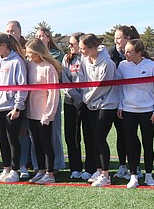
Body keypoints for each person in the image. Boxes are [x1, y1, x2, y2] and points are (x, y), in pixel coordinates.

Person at [116, 39, 154, 188]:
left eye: (129, 51)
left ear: (139, 52)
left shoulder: (152, 65)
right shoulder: (122, 65)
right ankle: (133, 176)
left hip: (148, 112)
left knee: (147, 144)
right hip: (129, 111)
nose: (126, 54)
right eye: (125, 51)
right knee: (130, 144)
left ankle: (149, 175)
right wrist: (120, 106)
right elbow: (118, 88)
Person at [78, 34, 120, 187]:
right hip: (91, 104)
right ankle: (98, 170)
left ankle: (106, 175)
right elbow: (82, 78)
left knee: (100, 137)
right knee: (93, 138)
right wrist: (85, 95)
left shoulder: (107, 63)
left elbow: (104, 86)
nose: (80, 51)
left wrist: (87, 97)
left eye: (83, 48)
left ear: (91, 48)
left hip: (107, 104)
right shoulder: (84, 59)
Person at [0, 32, 27, 182]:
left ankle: (15, 170)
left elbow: (22, 85)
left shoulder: (17, 61)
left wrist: (17, 106)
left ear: (4, 46)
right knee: (2, 138)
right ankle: (6, 168)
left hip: (11, 108)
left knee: (12, 139)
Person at [25, 38, 62, 184]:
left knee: (47, 143)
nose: (28, 56)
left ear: (37, 52)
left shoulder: (49, 68)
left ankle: (50, 173)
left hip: (44, 113)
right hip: (32, 112)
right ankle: (40, 170)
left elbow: (53, 94)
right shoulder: (30, 65)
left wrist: (48, 114)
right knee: (36, 144)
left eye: (30, 53)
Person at [62, 32, 96, 181]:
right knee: (72, 137)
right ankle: (75, 167)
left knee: (89, 136)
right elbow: (64, 80)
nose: (70, 46)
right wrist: (76, 97)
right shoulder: (66, 58)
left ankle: (90, 168)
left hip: (87, 102)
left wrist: (84, 98)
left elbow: (91, 80)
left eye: (72, 43)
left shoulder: (89, 58)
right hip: (70, 101)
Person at [108, 25, 139, 180]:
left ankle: (136, 166)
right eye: (115, 37)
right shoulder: (110, 54)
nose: (116, 40)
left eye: (119, 37)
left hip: (133, 103)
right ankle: (122, 165)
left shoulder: (138, 54)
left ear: (128, 38)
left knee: (132, 135)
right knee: (120, 134)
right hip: (115, 101)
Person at [35, 26, 65, 172]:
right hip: (37, 100)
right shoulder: (33, 58)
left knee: (54, 132)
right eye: (37, 36)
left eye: (42, 36)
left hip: (51, 96)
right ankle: (40, 165)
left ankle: (57, 163)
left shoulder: (57, 54)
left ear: (48, 37)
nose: (39, 38)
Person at [6, 21, 33, 179]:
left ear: (20, 32)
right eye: (7, 31)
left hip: (28, 98)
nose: (10, 34)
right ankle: (15, 164)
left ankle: (26, 163)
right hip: (12, 100)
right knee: (15, 134)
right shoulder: (5, 50)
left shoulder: (25, 47)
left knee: (25, 132)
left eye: (13, 31)